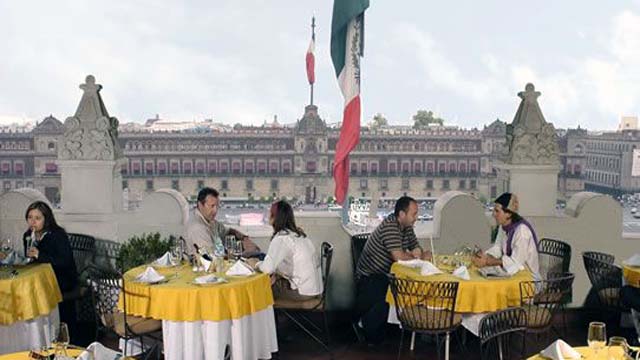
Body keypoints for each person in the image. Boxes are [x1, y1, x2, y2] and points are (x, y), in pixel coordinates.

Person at [353, 196, 431, 345]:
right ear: (402, 214)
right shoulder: (390, 226)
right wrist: (419, 258)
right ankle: (366, 325)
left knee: (408, 288)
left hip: (385, 273)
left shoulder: (406, 227)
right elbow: (399, 257)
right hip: (370, 277)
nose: (416, 218)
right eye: (414, 214)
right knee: (396, 292)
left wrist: (418, 252)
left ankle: (410, 328)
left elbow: (415, 246)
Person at [246, 200, 322, 300]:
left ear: (274, 217)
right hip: (313, 288)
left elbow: (267, 268)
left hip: (302, 292)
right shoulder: (297, 235)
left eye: (270, 213)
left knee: (257, 291)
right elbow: (291, 265)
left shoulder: (282, 239)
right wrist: (277, 275)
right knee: (269, 284)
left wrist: (254, 263)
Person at [22, 201, 78, 337]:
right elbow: (30, 261)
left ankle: (52, 333)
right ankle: (35, 334)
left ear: (46, 219)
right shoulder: (28, 236)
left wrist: (39, 254)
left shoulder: (58, 235)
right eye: (30, 217)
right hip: (41, 278)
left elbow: (64, 262)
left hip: (62, 278)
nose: (33, 222)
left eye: (37, 218)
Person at [472, 192, 540, 279]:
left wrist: (488, 261)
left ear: (508, 214)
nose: (493, 214)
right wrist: (484, 256)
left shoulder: (522, 232)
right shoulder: (503, 226)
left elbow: (516, 263)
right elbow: (498, 248)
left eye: (497, 211)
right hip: (512, 275)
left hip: (528, 281)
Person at [184, 187, 259, 257]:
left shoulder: (210, 221)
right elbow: (212, 258)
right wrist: (243, 255)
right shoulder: (197, 228)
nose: (215, 211)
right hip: (209, 268)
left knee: (258, 254)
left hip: (219, 263)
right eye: (212, 206)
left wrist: (245, 239)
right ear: (200, 205)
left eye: (217, 206)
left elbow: (228, 231)